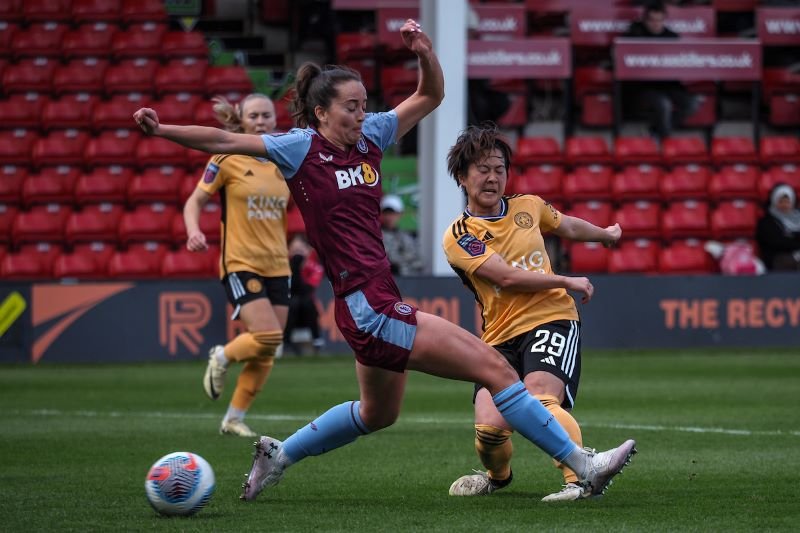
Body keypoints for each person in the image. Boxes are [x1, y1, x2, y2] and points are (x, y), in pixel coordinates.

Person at [134, 18, 635, 503]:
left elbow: (431, 96)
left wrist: (425, 55)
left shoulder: (371, 136)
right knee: (495, 369)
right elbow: (224, 141)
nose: (361, 115)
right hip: (367, 306)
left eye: (364, 105)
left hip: (370, 303)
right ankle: (582, 465)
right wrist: (162, 131)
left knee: (377, 414)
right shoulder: (299, 148)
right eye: (350, 107)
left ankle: (279, 455)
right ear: (322, 112)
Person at [442, 124, 625, 502]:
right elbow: (505, 278)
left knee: (541, 398)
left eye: (499, 169)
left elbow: (566, 225)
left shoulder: (529, 206)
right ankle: (498, 476)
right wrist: (566, 279)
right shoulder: (460, 235)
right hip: (497, 337)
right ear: (462, 176)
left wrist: (604, 234)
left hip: (552, 316)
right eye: (482, 169)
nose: (492, 178)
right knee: (490, 431)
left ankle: (582, 477)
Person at [183, 93, 290, 438]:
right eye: (254, 116)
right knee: (268, 335)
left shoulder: (283, 161)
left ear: (275, 120)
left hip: (279, 264)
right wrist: (193, 230)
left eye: (267, 116)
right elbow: (195, 200)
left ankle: (233, 418)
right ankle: (222, 355)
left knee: (269, 348)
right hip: (240, 262)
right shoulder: (226, 157)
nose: (261, 122)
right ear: (242, 121)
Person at [622, 0, 700, 140]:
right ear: (645, 20)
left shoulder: (672, 37)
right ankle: (666, 142)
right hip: (643, 87)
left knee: (692, 104)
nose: (656, 24)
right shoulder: (633, 35)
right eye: (652, 20)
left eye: (660, 20)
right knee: (664, 105)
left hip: (668, 84)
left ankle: (655, 131)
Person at [283, 233, 326, 355]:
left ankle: (317, 340)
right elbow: (288, 290)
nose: (298, 254)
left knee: (306, 301)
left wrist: (298, 269)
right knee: (293, 302)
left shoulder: (315, 268)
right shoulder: (283, 268)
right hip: (289, 311)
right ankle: (286, 344)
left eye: (301, 250)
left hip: (308, 312)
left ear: (308, 251)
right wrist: (293, 268)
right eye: (295, 250)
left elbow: (307, 289)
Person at [756, 183, 800, 271]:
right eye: (781, 201)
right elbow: (777, 242)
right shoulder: (767, 222)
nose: (784, 205)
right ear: (774, 201)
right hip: (778, 258)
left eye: (787, 202)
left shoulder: (798, 217)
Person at [380, 194, 424, 276]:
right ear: (381, 214)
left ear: (400, 214)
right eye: (386, 213)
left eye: (393, 213)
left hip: (406, 283)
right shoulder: (374, 238)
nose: (389, 217)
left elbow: (418, 264)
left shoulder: (407, 238)